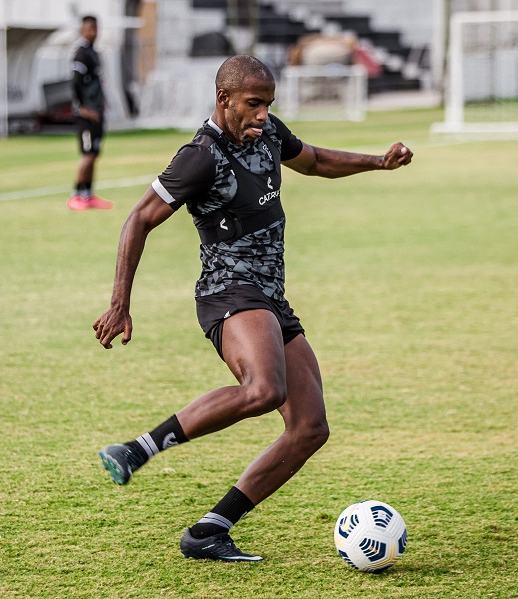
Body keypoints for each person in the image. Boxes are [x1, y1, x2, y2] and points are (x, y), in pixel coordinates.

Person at [93, 55, 412, 562]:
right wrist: (119, 304)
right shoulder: (200, 156)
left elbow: (314, 160)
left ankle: (210, 530)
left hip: (271, 296)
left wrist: (377, 161)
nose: (263, 114)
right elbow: (138, 220)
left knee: (310, 428)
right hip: (229, 292)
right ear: (224, 100)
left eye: (268, 104)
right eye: (253, 104)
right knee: (264, 389)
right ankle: (137, 449)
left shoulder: (266, 134)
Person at [68, 15, 113, 211]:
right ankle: (76, 194)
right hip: (87, 115)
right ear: (82, 30)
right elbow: (75, 83)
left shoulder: (94, 52)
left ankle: (88, 194)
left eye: (95, 28)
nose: (93, 32)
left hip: (98, 112)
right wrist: (83, 108)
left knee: (94, 154)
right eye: (89, 29)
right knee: (87, 155)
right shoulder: (81, 54)